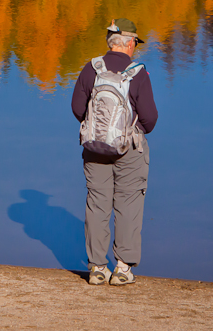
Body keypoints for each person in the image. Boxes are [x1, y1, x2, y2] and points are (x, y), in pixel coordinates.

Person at [71, 18, 158, 285]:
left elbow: (77, 108)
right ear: (130, 43)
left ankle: (97, 268)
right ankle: (122, 269)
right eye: (135, 43)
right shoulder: (138, 73)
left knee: (97, 203)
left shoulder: (91, 68)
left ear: (110, 42)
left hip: (95, 149)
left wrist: (99, 132)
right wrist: (129, 133)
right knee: (128, 203)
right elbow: (150, 119)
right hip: (129, 150)